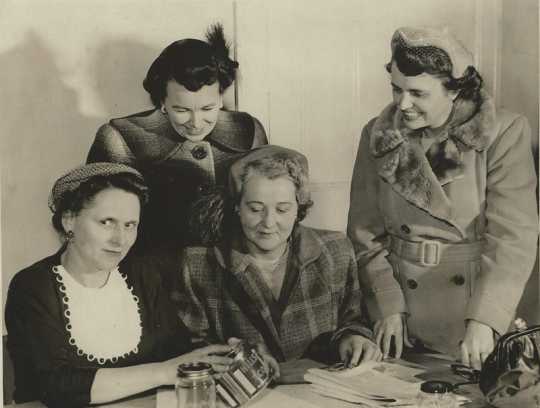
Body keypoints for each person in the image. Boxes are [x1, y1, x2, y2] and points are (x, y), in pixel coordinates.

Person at [347, 26, 538, 369]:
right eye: (396, 89)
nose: (402, 104)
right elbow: (364, 234)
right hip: (401, 320)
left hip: (473, 314)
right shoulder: (377, 134)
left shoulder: (503, 134)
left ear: (453, 91)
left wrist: (486, 319)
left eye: (418, 93)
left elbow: (513, 239)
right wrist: (387, 303)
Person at [5, 163, 240, 407]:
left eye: (130, 225)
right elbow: (57, 387)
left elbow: (176, 352)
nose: (120, 239)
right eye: (107, 222)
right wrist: (163, 372)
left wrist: (225, 357)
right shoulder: (32, 286)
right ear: (69, 220)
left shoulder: (141, 274)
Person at [176, 145, 382, 366]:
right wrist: (243, 357)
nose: (268, 223)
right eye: (255, 209)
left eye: (282, 209)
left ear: (298, 208)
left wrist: (353, 338)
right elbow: (193, 350)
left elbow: (353, 320)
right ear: (237, 207)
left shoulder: (336, 250)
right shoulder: (198, 263)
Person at [87, 24, 267, 251]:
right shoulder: (120, 139)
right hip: (153, 273)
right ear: (162, 101)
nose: (196, 122)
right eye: (181, 110)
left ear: (221, 97)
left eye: (208, 108)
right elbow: (102, 226)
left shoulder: (248, 131)